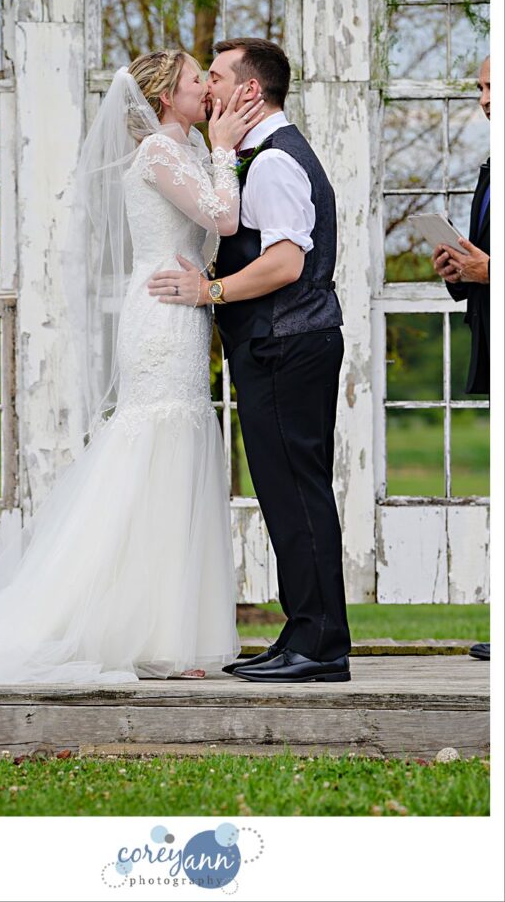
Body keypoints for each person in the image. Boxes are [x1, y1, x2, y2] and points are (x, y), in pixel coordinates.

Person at [0, 50, 266, 685]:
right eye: (198, 80)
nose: (207, 90)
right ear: (167, 97)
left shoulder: (187, 153)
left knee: (180, 448)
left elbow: (213, 232)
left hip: (185, 309)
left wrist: (216, 163)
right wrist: (224, 149)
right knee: (157, 447)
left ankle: (169, 631)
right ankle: (136, 629)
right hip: (161, 317)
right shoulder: (163, 153)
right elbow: (223, 215)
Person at [149, 38, 352, 683]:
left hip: (286, 344)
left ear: (248, 91)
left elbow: (286, 263)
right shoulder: (260, 158)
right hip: (283, 344)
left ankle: (319, 648)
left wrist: (209, 290)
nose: (208, 86)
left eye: (216, 75)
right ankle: (304, 634)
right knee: (287, 492)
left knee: (296, 492)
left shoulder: (272, 164)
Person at [432, 55, 490, 663]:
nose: (483, 98)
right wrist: (461, 271)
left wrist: (489, 269)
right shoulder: (489, 171)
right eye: (479, 87)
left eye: (491, 86)